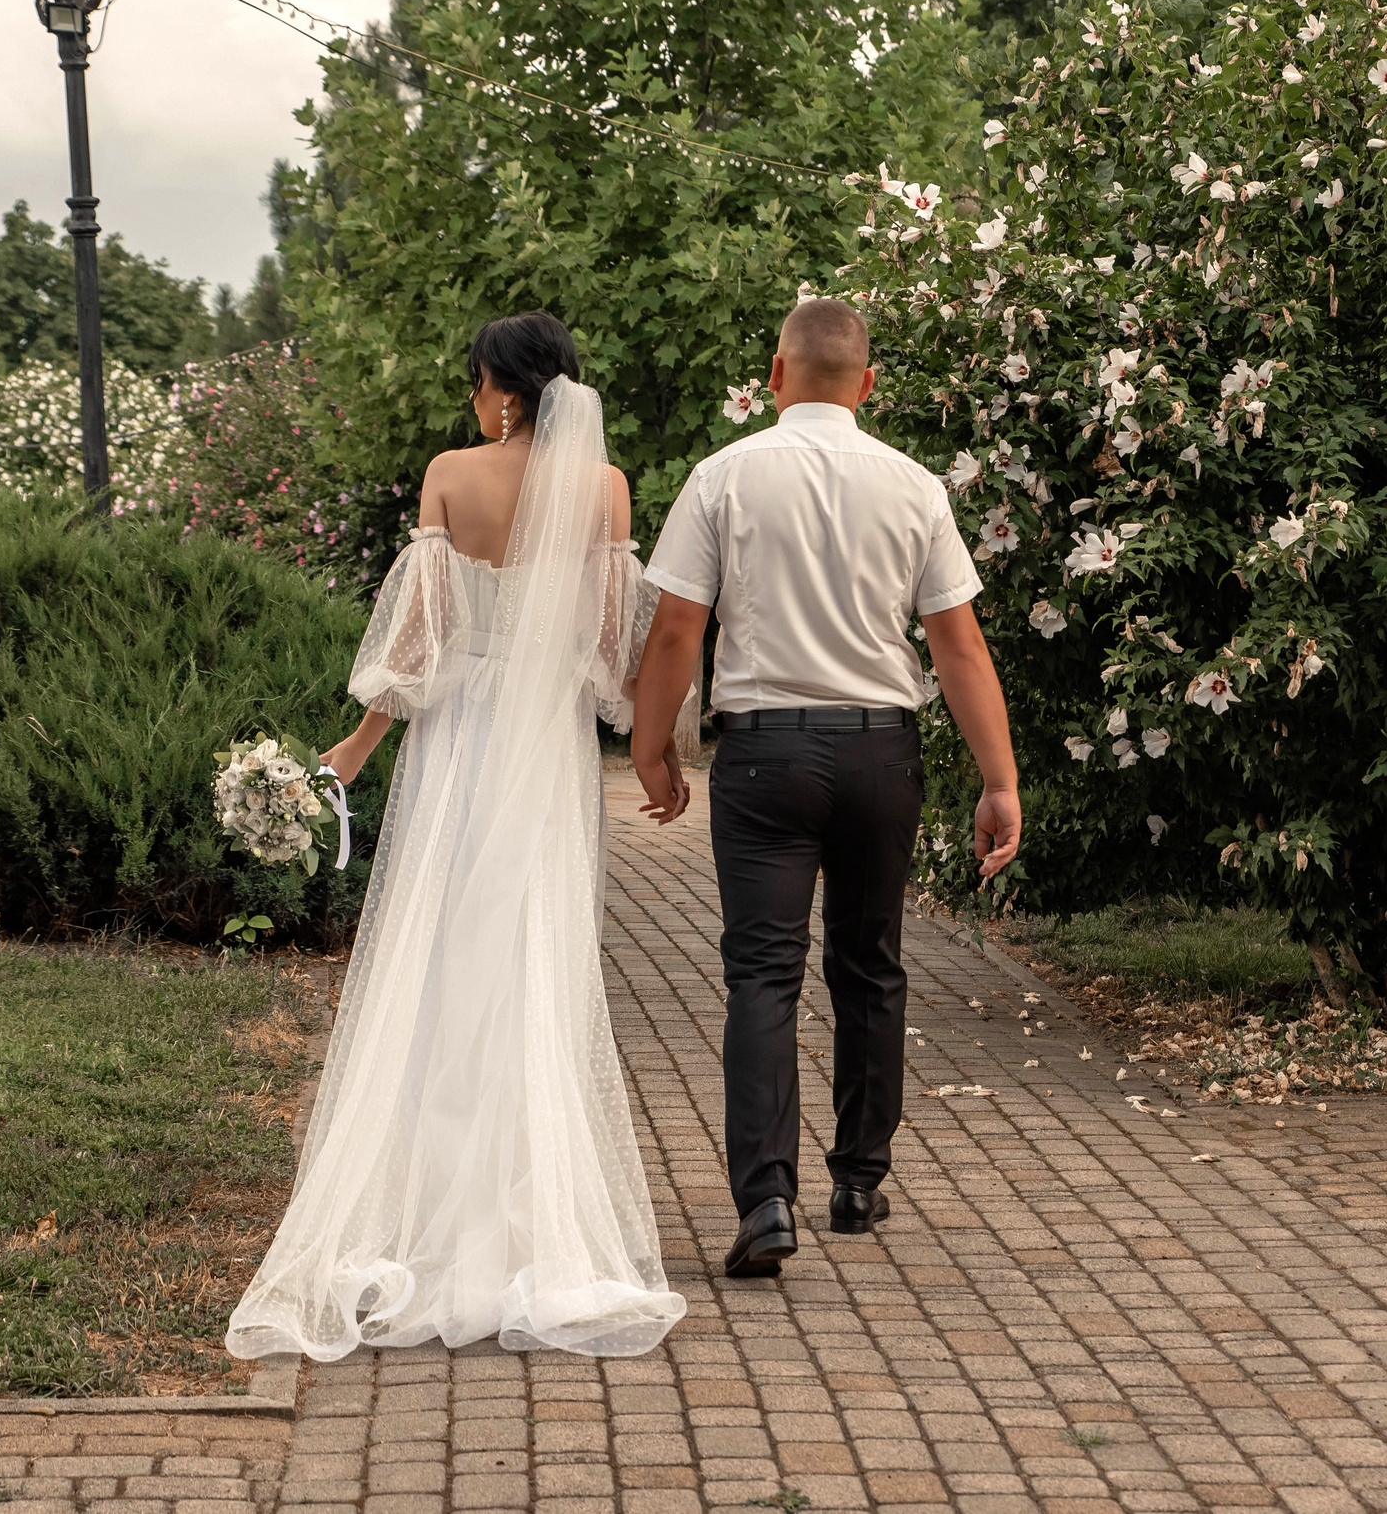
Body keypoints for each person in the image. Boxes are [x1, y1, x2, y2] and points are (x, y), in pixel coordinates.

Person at [226, 312, 690, 1361]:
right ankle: (528, 1218)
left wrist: (357, 744)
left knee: (435, 949)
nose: (473, 400)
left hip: (456, 740)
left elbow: (421, 637)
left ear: (505, 393)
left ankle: (423, 1203)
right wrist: (645, 736)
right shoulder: (606, 490)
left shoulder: (448, 475)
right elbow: (609, 645)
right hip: (543, 742)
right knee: (533, 950)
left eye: (478, 382)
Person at [627, 296, 1022, 1279]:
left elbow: (677, 629)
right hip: (881, 754)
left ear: (775, 374)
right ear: (867, 384)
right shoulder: (914, 486)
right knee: (869, 965)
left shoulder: (723, 477)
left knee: (763, 975)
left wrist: (651, 743)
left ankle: (766, 1200)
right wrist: (1000, 779)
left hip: (765, 757)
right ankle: (858, 1178)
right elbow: (959, 645)